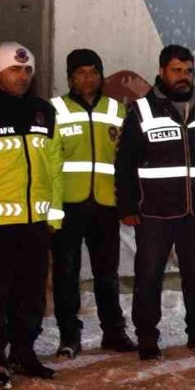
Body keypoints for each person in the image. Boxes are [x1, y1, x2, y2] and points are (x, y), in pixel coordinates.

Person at [115, 44, 195, 360]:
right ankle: (147, 336)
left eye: (188, 71)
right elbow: (125, 162)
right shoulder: (141, 111)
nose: (183, 77)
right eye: (176, 70)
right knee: (149, 275)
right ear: (162, 72)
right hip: (154, 211)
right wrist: (126, 206)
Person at [0, 42, 63, 389]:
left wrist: (54, 216)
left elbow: (54, 167)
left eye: (28, 70)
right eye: (15, 69)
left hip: (35, 223)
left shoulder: (44, 111)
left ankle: (24, 353)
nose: (23, 75)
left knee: (31, 294)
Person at [49, 49, 138, 357]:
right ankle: (69, 336)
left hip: (104, 205)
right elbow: (48, 162)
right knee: (66, 275)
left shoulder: (117, 109)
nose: (88, 78)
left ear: (101, 76)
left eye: (93, 72)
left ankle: (113, 333)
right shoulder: (55, 110)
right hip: (67, 205)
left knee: (107, 275)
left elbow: (126, 161)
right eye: (80, 73)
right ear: (70, 78)